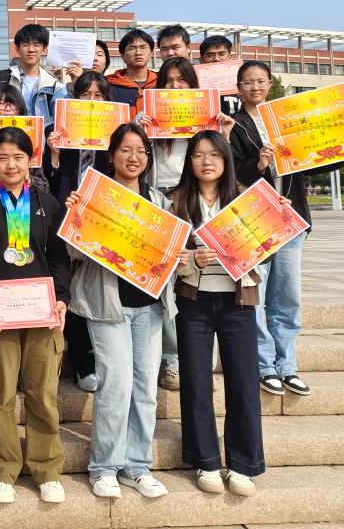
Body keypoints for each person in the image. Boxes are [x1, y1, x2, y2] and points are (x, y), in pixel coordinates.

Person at [66, 123, 179, 500]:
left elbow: (168, 257)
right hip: (107, 306)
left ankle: (137, 466)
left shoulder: (159, 202)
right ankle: (104, 467)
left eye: (141, 151)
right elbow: (74, 252)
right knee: (115, 386)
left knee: (145, 389)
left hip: (149, 308)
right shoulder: (94, 196)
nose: (134, 157)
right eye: (126, 150)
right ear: (112, 155)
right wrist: (76, 218)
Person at [0, 127, 71, 505]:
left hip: (42, 312)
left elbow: (59, 257)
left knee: (43, 394)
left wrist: (62, 298)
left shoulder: (47, 203)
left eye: (18, 157)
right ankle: (2, 469)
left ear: (31, 160)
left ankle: (47, 469)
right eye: (2, 157)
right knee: (0, 394)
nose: (11, 164)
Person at [169, 131, 265, 497]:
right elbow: (166, 257)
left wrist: (276, 221)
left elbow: (266, 249)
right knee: (195, 381)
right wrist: (193, 259)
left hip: (238, 301)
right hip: (194, 300)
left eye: (214, 154)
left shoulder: (245, 198)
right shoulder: (176, 200)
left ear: (226, 159)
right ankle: (205, 459)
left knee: (243, 382)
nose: (206, 161)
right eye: (197, 155)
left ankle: (243, 463)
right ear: (189, 162)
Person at [230, 60, 334, 397]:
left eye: (261, 81)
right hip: (255, 220)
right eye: (248, 82)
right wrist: (259, 164)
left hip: (291, 217)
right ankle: (264, 366)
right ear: (238, 88)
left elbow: (314, 162)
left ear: (270, 83)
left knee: (287, 296)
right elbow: (232, 173)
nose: (255, 87)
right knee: (257, 297)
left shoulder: (286, 120)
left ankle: (287, 365)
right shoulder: (234, 125)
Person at [137, 58, 236, 392]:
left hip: (200, 200)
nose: (175, 87)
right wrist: (142, 129)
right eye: (168, 80)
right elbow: (138, 160)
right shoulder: (152, 121)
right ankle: (172, 360)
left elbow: (222, 166)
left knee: (200, 282)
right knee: (169, 283)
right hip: (163, 204)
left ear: (194, 85)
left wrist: (224, 134)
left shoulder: (207, 122)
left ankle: (198, 360)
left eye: (182, 80)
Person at [43, 70, 112, 393]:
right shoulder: (56, 130)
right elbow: (46, 179)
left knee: (100, 290)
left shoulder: (116, 133)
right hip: (65, 218)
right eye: (86, 95)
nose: (92, 101)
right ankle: (83, 362)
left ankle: (101, 359)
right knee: (70, 290)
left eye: (99, 96)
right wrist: (55, 155)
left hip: (104, 220)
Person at [107, 29, 157, 115]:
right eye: (132, 48)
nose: (138, 52)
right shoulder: (108, 84)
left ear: (151, 52)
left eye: (143, 47)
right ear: (123, 55)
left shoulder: (161, 82)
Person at [199, 34, 242, 116]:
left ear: (230, 57)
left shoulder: (242, 83)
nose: (216, 59)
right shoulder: (194, 85)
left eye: (221, 54)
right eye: (210, 55)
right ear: (201, 60)